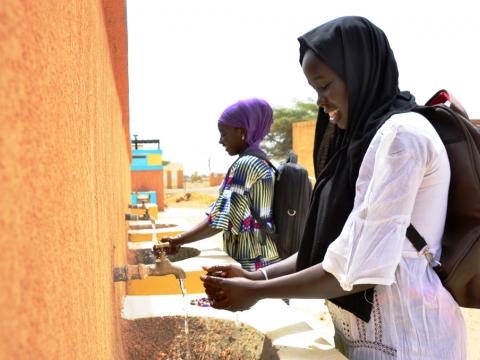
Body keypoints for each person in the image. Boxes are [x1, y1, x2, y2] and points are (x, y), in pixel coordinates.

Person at [200, 16, 467, 359]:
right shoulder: (360, 144)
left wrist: (258, 292)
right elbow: (330, 253)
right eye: (315, 89)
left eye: (325, 85)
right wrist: (256, 277)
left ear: (358, 72)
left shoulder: (402, 137)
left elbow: (356, 272)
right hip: (366, 343)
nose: (320, 101)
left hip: (413, 343)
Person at [161, 98, 281, 272]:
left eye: (224, 133)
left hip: (252, 262)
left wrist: (177, 241)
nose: (220, 141)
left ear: (241, 131)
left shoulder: (246, 165)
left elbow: (220, 220)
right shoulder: (262, 162)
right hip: (266, 259)